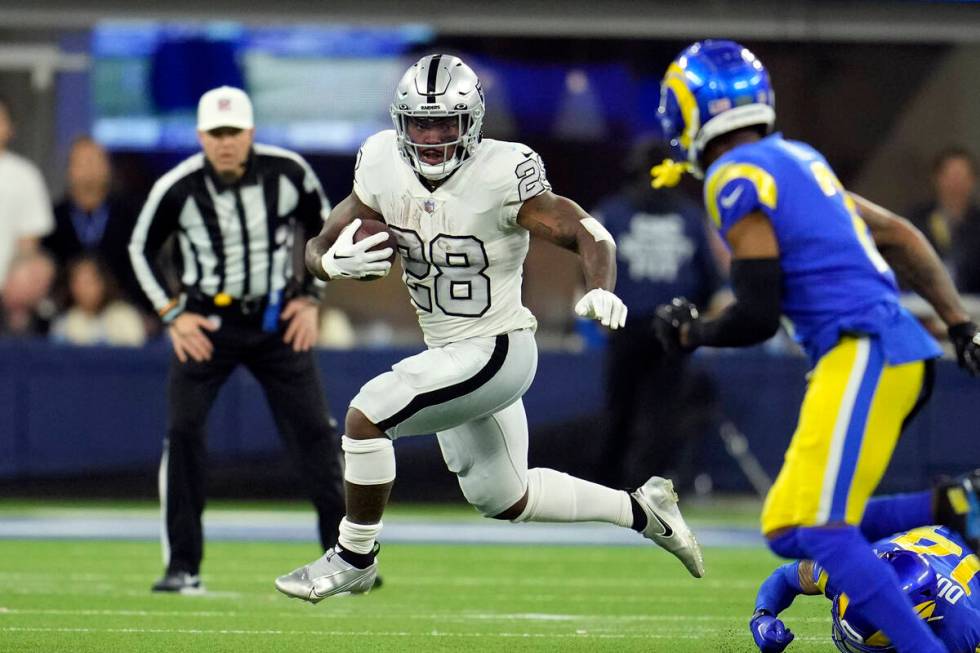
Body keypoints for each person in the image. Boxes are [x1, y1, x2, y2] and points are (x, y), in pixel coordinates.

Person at [274, 54, 705, 605]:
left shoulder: (504, 170)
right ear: (399, 122)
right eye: (419, 123)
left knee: (368, 414)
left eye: (445, 122)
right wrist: (329, 265)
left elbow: (586, 230)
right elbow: (317, 243)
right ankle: (645, 511)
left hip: (497, 347)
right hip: (448, 348)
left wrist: (601, 286)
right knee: (505, 496)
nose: (430, 137)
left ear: (472, 121)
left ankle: (354, 556)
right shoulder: (381, 160)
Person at [651, 40, 980, 653]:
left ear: (690, 113)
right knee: (785, 528)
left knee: (826, 533)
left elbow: (755, 314)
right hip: (874, 350)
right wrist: (960, 324)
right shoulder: (801, 161)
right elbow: (901, 236)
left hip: (864, 349)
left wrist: (691, 332)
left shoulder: (734, 176)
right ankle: (956, 503)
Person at [129, 86, 344, 593]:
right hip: (206, 326)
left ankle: (344, 560)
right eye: (216, 133)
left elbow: (329, 232)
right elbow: (139, 248)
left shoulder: (288, 173)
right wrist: (172, 314)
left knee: (316, 432)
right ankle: (183, 566)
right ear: (202, 137)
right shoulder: (177, 187)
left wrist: (311, 298)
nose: (226, 143)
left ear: (250, 133)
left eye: (234, 132)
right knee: (182, 432)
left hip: (275, 321)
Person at [591, 137, 728, 489]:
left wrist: (602, 305)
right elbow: (711, 278)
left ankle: (610, 487)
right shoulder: (690, 217)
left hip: (625, 324)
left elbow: (591, 268)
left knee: (620, 409)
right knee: (662, 412)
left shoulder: (613, 213)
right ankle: (649, 487)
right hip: (673, 328)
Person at [749, 472, 980, 653]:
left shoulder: (961, 630)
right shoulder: (853, 571)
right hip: (944, 531)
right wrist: (763, 616)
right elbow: (785, 577)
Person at [44, 136, 146, 312]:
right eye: (82, 162)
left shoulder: (130, 215)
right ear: (69, 170)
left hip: (122, 308)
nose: (89, 169)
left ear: (108, 167)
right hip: (65, 311)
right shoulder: (52, 218)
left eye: (95, 161)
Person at [0, 96, 55, 330]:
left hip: (9, 296)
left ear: (10, 127)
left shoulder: (25, 175)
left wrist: (16, 288)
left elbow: (29, 245)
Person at [908, 147, 980, 294]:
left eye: (962, 176)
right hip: (923, 301)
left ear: (973, 180)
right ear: (937, 178)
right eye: (951, 175)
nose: (956, 183)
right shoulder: (917, 218)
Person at [49, 254, 145, 346]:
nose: (83, 290)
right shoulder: (64, 323)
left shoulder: (124, 316)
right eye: (77, 283)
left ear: (103, 283)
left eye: (88, 282)